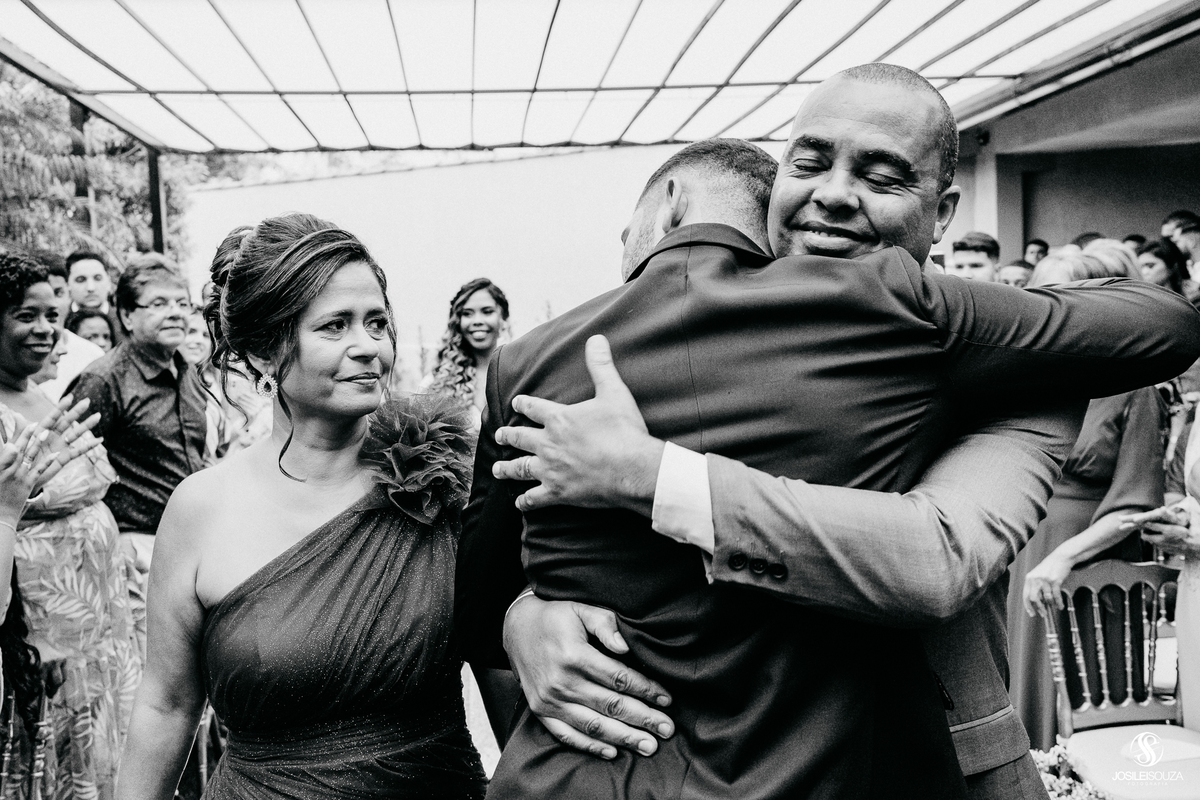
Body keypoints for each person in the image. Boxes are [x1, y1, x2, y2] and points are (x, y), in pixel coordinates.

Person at [459, 67, 1200, 800]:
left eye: (880, 177)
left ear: (941, 212)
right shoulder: (656, 339)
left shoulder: (1011, 361)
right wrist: (530, 617)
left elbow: (935, 558)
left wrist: (658, 477)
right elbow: (510, 576)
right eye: (808, 162)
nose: (832, 195)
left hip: (919, 764)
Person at [115, 213, 486, 799]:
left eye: (377, 323)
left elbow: (506, 669)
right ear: (265, 352)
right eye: (335, 326)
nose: (368, 347)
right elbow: (167, 703)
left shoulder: (442, 483)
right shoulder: (201, 509)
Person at [1008, 250, 1167, 750]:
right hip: (1020, 555)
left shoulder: (1133, 387)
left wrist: (1062, 558)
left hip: (1088, 568)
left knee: (1087, 707)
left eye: (1064, 298)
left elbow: (1137, 503)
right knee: (1018, 692)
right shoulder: (1028, 379)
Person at [0, 251, 140, 799]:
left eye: (50, 314)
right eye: (24, 315)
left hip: (100, 637)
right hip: (44, 645)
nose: (45, 328)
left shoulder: (41, 395)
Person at [65, 261, 208, 659]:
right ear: (127, 314)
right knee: (158, 676)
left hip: (197, 545)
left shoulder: (189, 373)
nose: (176, 312)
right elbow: (67, 468)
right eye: (159, 303)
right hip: (137, 551)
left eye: (183, 302)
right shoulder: (103, 380)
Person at [423, 278, 509, 426]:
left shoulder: (519, 374)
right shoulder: (437, 381)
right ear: (458, 322)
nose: (477, 321)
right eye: (467, 314)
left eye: (487, 312)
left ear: (503, 317)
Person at [32, 254, 104, 401]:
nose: (52, 305)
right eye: (41, 295)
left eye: (58, 293)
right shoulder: (13, 358)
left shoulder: (93, 356)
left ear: (70, 295)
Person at [65, 250, 123, 348]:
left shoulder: (125, 322)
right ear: (67, 284)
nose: (90, 288)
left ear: (108, 282)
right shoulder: (61, 322)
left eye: (97, 278)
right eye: (81, 280)